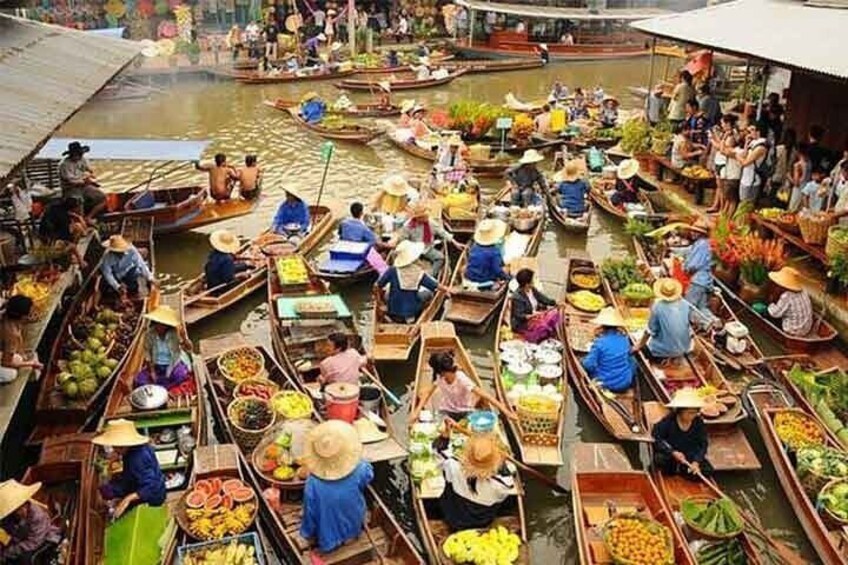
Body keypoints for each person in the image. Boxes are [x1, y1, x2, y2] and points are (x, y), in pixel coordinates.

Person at [300, 420, 374, 555]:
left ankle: (332, 545)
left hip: (328, 537)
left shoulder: (313, 483)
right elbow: (368, 475)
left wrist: (307, 532)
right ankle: (350, 538)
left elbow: (309, 512)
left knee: (324, 523)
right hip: (354, 525)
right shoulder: (360, 467)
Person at [437, 433, 516, 531]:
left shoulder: (453, 465)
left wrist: (444, 437)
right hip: (482, 522)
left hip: (452, 518)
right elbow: (507, 483)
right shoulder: (503, 484)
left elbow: (439, 451)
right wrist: (501, 462)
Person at [410, 351, 516, 423]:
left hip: (465, 411)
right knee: (439, 432)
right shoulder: (439, 376)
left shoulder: (461, 378)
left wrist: (506, 412)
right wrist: (416, 411)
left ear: (441, 370)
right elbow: (428, 392)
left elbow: (485, 395)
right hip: (446, 410)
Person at [375, 241, 450, 323]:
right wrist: (448, 290)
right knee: (429, 293)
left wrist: (380, 304)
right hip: (411, 310)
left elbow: (377, 286)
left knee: (387, 293)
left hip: (392, 309)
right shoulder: (417, 272)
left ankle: (400, 316)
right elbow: (434, 285)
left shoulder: (392, 270)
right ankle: (411, 317)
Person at [652, 388, 713, 480]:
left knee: (708, 470)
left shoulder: (698, 422)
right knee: (659, 460)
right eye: (689, 413)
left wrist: (696, 462)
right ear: (680, 411)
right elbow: (657, 437)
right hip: (671, 455)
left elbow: (703, 444)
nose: (692, 416)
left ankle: (683, 470)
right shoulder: (668, 421)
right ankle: (675, 470)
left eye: (694, 413)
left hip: (689, 456)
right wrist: (672, 452)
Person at [0, 480, 61, 563]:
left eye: (23, 506)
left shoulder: (38, 516)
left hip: (43, 540)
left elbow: (34, 542)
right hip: (22, 539)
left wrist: (9, 551)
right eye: (17, 510)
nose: (22, 511)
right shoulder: (6, 516)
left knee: (27, 559)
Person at [133, 304, 192, 389]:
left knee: (180, 375)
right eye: (158, 323)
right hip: (157, 366)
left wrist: (184, 337)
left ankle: (164, 387)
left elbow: (189, 348)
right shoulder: (150, 334)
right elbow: (147, 354)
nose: (159, 326)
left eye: (162, 324)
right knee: (139, 380)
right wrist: (152, 371)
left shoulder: (174, 333)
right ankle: (163, 386)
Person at [391, 202, 457, 277]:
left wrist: (455, 242)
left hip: (427, 248)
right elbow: (403, 240)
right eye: (424, 216)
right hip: (412, 250)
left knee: (440, 258)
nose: (426, 217)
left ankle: (431, 275)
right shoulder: (408, 226)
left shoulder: (431, 223)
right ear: (418, 218)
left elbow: (442, 232)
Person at [634, 278, 692, 363]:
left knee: (639, 341)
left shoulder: (657, 307)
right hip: (684, 347)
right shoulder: (685, 304)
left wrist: (638, 345)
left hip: (662, 351)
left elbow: (649, 332)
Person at [581, 307, 635, 393]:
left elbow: (588, 365)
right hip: (625, 382)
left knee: (584, 361)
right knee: (632, 360)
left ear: (602, 326)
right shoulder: (625, 339)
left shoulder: (599, 343)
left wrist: (583, 361)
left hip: (605, 383)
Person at [100, 234, 155, 304]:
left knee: (134, 279)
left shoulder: (132, 250)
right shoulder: (107, 257)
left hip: (129, 272)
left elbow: (141, 264)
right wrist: (117, 287)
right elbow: (108, 274)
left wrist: (150, 278)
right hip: (116, 275)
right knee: (109, 287)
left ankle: (133, 290)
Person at [58, 141, 106, 222]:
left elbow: (90, 171)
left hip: (84, 186)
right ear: (72, 155)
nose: (80, 156)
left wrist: (90, 177)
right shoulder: (64, 165)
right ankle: (81, 221)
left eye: (81, 154)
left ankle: (89, 217)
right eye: (78, 154)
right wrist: (85, 181)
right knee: (78, 201)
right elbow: (70, 182)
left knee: (102, 197)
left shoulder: (82, 159)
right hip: (71, 189)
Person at [509, 268, 560, 343]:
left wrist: (555, 303)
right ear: (527, 284)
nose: (534, 281)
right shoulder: (517, 297)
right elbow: (520, 316)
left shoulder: (532, 289)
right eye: (532, 280)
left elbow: (543, 298)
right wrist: (534, 315)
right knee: (543, 327)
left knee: (555, 313)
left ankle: (544, 331)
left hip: (534, 315)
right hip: (523, 323)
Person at [0, 296, 43, 384]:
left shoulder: (6, 315)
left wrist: (22, 353)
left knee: (19, 358)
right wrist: (31, 363)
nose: (32, 315)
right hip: (5, 357)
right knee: (11, 374)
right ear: (23, 317)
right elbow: (6, 363)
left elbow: (19, 335)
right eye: (30, 314)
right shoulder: (12, 333)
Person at [681, 220, 716, 328]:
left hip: (698, 281)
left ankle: (707, 323)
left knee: (688, 308)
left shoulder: (702, 244)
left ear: (700, 234)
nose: (692, 233)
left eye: (694, 231)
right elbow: (687, 251)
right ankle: (715, 322)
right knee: (702, 308)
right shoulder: (703, 244)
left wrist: (685, 267)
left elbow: (693, 265)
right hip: (706, 281)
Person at [37, 196, 88, 268]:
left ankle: (69, 256)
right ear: (73, 208)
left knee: (76, 227)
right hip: (50, 241)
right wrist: (81, 261)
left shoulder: (56, 208)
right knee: (76, 230)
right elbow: (74, 240)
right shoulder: (63, 218)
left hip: (46, 235)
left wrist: (77, 217)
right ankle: (70, 257)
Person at [706, 114, 741, 215]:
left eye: (723, 123)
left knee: (723, 189)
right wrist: (714, 136)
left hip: (724, 163)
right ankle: (717, 206)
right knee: (719, 187)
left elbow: (723, 149)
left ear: (728, 124)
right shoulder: (726, 134)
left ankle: (722, 209)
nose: (722, 125)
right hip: (720, 162)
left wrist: (713, 141)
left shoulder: (731, 136)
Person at [726, 122, 768, 204]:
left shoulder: (760, 147)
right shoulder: (753, 143)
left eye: (751, 130)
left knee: (745, 205)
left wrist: (736, 156)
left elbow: (745, 162)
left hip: (752, 179)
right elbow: (744, 155)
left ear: (758, 132)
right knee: (742, 202)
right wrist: (746, 143)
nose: (749, 133)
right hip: (745, 176)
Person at [464, 219, 509, 290]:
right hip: (485, 280)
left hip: (470, 276)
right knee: (504, 271)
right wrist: (508, 277)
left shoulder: (474, 247)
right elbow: (497, 270)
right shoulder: (494, 252)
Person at [767, 267, 813, 337]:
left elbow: (774, 313)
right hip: (807, 328)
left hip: (793, 331)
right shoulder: (804, 292)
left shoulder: (787, 296)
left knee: (771, 315)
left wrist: (770, 304)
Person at [204, 229, 251, 294]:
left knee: (243, 266)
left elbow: (226, 268)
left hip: (211, 284)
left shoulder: (213, 253)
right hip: (221, 287)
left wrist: (246, 265)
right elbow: (229, 279)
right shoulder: (227, 259)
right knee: (247, 275)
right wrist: (241, 275)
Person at [788, 142, 813, 212]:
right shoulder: (809, 163)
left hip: (798, 190)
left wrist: (789, 177)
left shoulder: (798, 165)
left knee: (792, 210)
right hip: (806, 189)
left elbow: (796, 183)